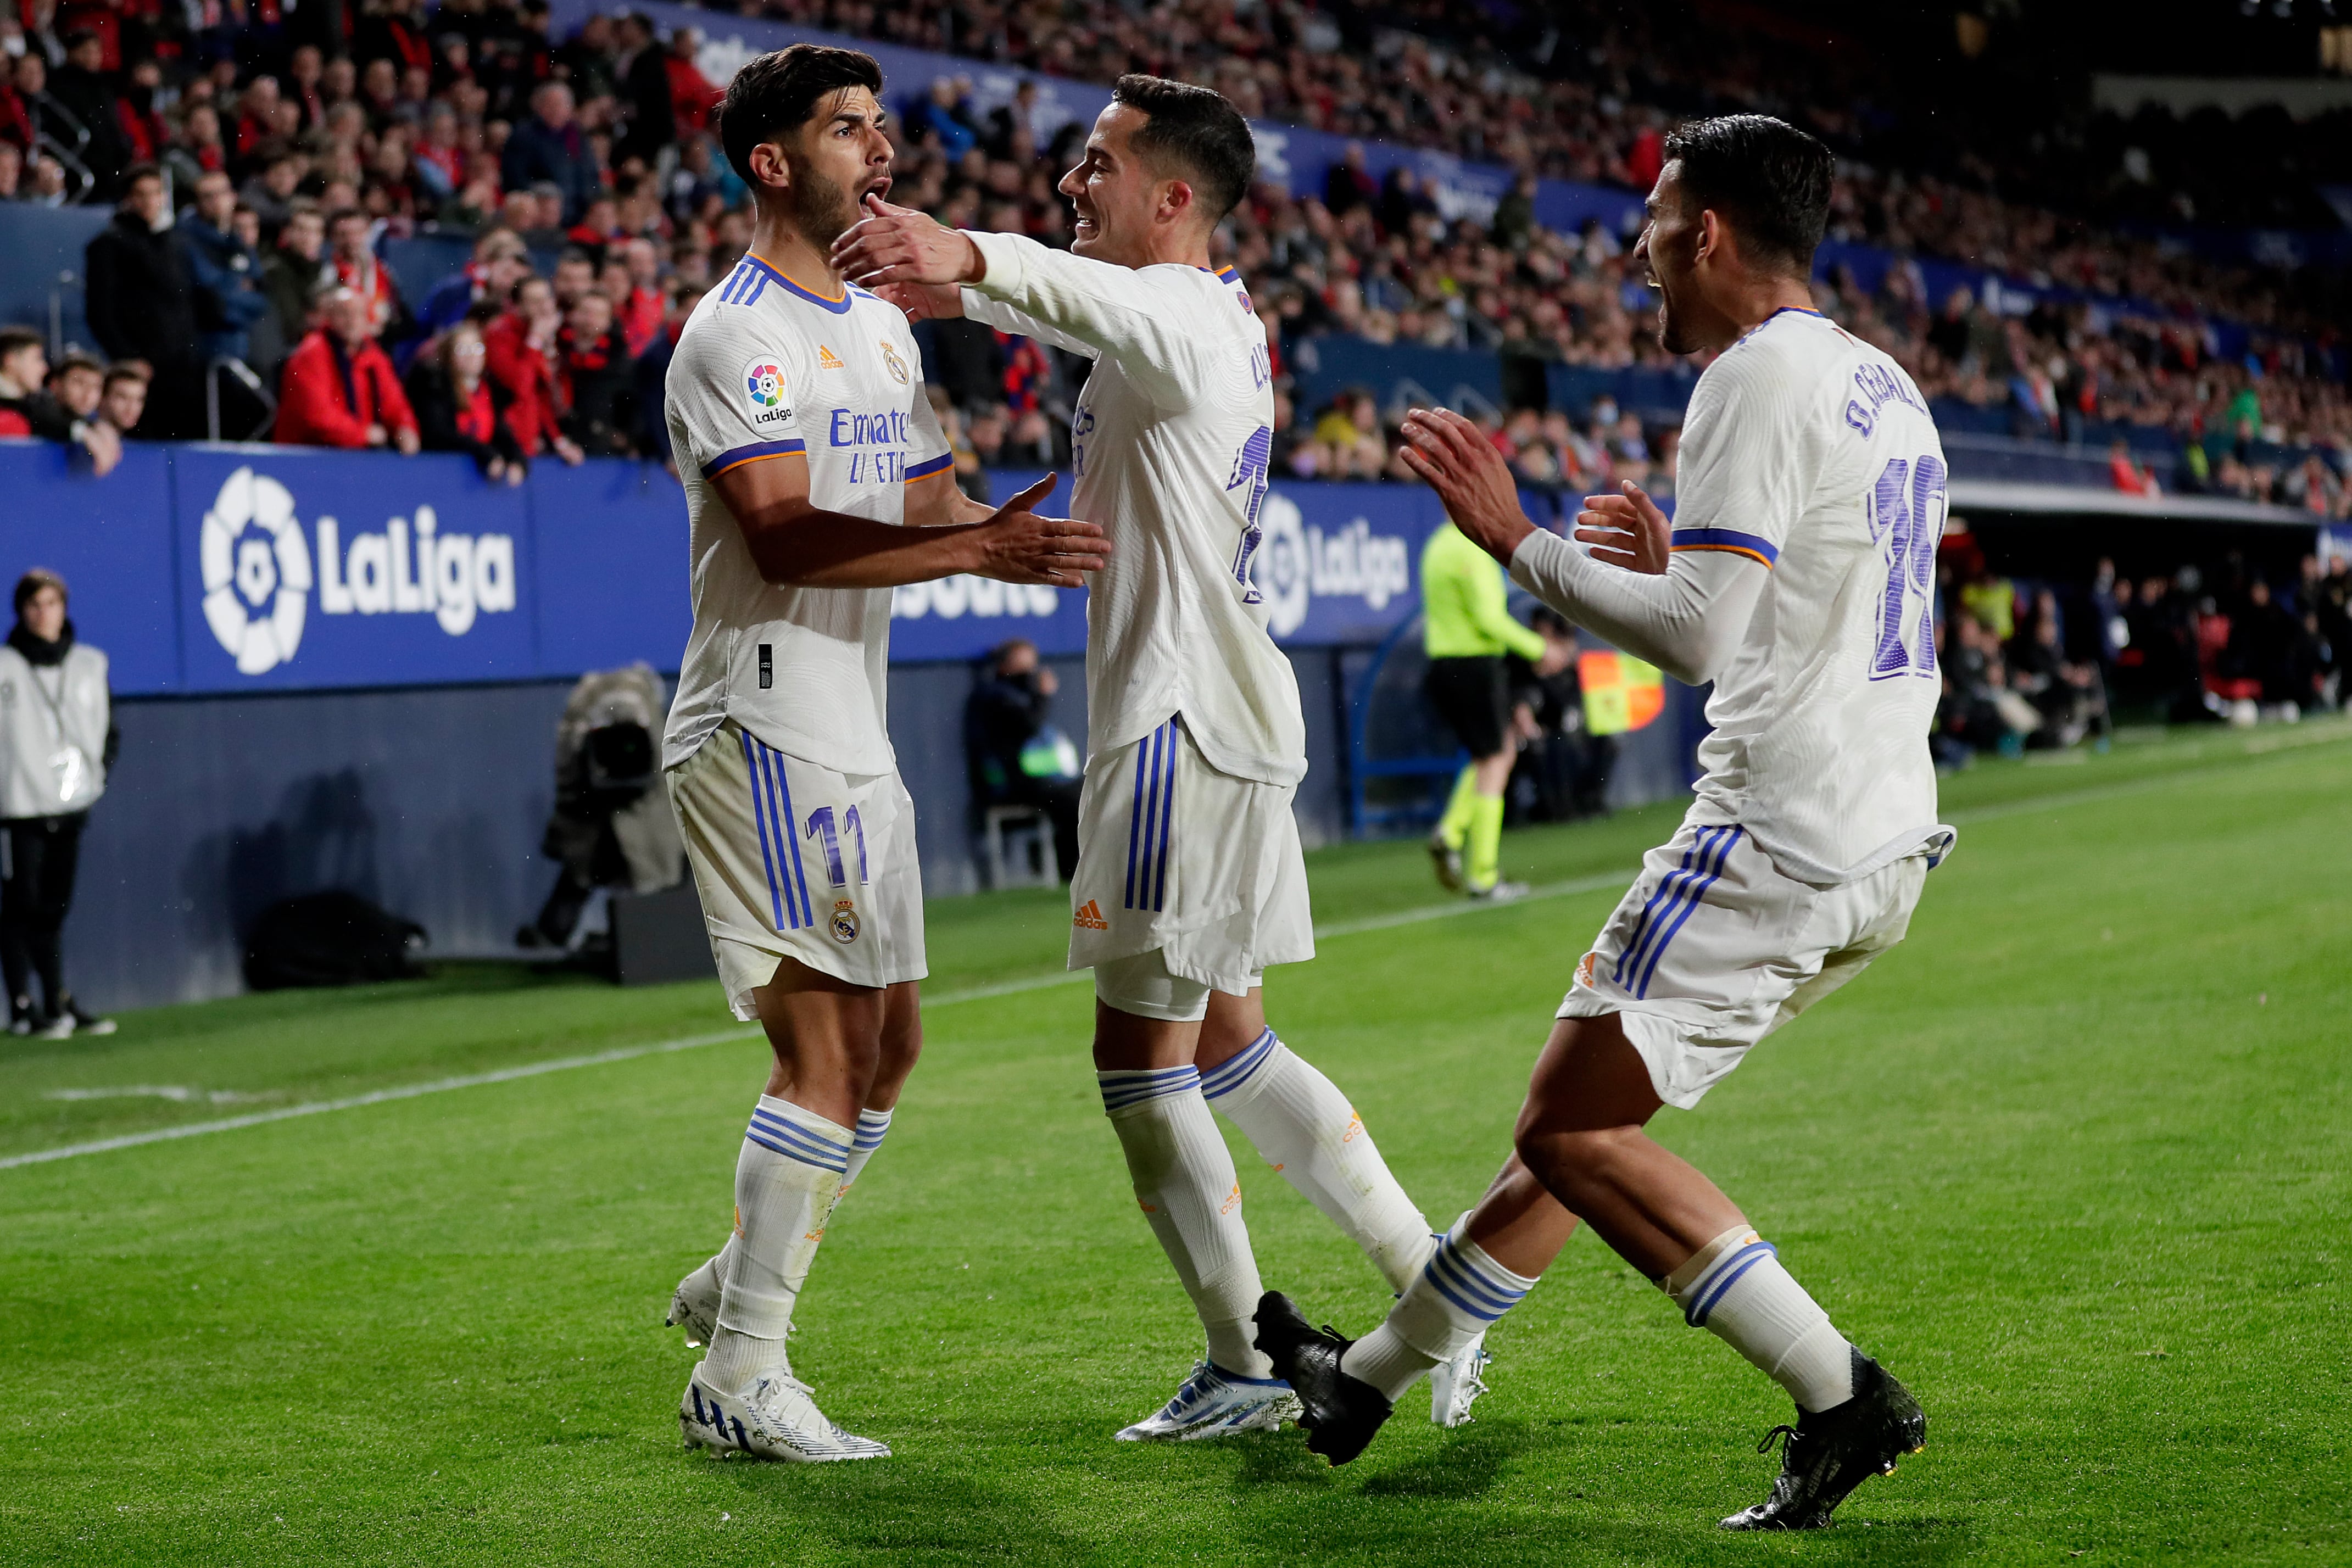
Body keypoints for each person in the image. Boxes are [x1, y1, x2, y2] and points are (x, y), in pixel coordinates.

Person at [1255, 115, 1951, 1533]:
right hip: (1883, 833)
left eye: (1652, 214)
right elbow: (1783, 603)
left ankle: (1840, 1392)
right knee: (1586, 1127)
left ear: (1706, 231)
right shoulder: (1876, 377)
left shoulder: (1750, 377)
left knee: (1567, 1126)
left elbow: (1694, 643)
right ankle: (1364, 1379)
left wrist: (1520, 536)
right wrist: (1669, 557)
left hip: (1777, 829)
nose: (1634, 247)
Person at [834, 75, 1495, 1440]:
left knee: (1138, 1061)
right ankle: (1436, 1289)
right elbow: (1079, 305)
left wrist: (960, 256)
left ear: (1172, 195)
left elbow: (1096, 301)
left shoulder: (1184, 312)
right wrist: (964, 292)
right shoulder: (1203, 320)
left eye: (1098, 163)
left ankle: (1247, 1358)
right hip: (1223, 719)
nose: (1074, 181)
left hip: (1176, 727)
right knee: (1235, 1040)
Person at [653, 44, 1107, 1464]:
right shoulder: (733, 334)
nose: (883, 146)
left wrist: (1021, 531)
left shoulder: (886, 328)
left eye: (883, 122)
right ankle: (743, 1366)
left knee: (894, 1042)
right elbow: (781, 531)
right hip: (762, 710)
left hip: (849, 715)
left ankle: (738, 1277)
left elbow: (925, 497)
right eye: (848, 127)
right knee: (829, 1047)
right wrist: (975, 542)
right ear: (774, 163)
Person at [1419, 514, 1561, 899]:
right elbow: (1488, 618)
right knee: (1497, 759)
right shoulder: (1471, 549)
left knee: (1490, 757)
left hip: (1443, 665)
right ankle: (1483, 875)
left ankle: (1451, 833)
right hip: (1474, 666)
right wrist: (1539, 648)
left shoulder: (1437, 545)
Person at [0, 570, 116, 1037]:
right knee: (20, 904)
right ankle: (25, 1007)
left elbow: (109, 729)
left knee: (53, 906)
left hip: (70, 804)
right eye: (33, 604)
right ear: (21, 611)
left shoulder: (90, 663)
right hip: (18, 806)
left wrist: (98, 774)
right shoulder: (6, 666)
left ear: (64, 607)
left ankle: (57, 1000)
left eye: (50, 602)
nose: (42, 612)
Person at [83, 163, 202, 440]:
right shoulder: (109, 244)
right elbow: (99, 311)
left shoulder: (174, 244)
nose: (150, 201)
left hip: (181, 368)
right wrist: (129, 358)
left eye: (156, 193)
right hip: (141, 371)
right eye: (141, 194)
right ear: (128, 199)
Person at [963, 637, 1079, 878]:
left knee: (1085, 791)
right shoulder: (996, 697)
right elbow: (1030, 724)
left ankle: (1068, 862)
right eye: (1023, 667)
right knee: (1072, 801)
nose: (1031, 673)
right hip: (1012, 785)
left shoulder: (1019, 695)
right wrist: (1043, 695)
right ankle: (1069, 871)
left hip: (1039, 780)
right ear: (1005, 666)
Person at [274, 285, 422, 451]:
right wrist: (363, 434)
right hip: (312, 456)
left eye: (358, 314)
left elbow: (394, 403)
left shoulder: (375, 357)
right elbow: (317, 417)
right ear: (329, 318)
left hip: (358, 455)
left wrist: (405, 428)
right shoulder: (311, 354)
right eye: (344, 313)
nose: (352, 320)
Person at [404, 319, 524, 482]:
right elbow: (439, 435)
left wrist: (516, 460)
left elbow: (501, 434)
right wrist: (484, 453)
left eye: (477, 348)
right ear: (449, 355)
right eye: (462, 350)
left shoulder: (488, 391)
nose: (471, 355)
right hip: (443, 475)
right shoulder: (435, 385)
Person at [0, 328, 122, 475]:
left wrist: (95, 427)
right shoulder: (25, 408)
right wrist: (84, 432)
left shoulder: (33, 403)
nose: (44, 368)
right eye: (37, 359)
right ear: (11, 361)